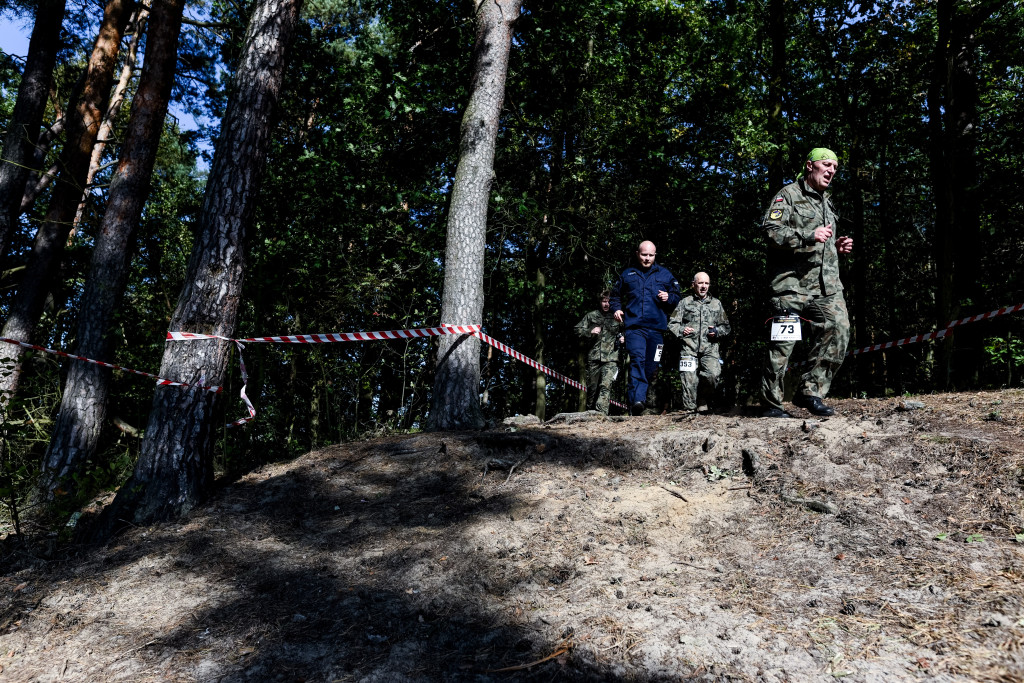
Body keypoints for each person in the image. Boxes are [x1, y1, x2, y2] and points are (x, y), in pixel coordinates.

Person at [760, 147, 853, 418]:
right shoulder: (788, 195)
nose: (831, 171)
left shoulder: (827, 202)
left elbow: (822, 242)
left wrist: (837, 245)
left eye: (835, 167)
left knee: (838, 329)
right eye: (826, 165)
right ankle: (772, 404)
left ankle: (810, 391)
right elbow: (770, 231)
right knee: (782, 345)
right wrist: (807, 235)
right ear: (810, 165)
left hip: (826, 287)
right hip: (791, 285)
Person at [610, 241, 681, 415]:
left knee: (651, 366)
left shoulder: (665, 275)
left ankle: (636, 398)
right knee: (637, 359)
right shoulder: (627, 274)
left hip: (656, 330)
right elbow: (614, 295)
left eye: (650, 255)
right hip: (634, 327)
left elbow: (677, 297)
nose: (647, 258)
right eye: (644, 255)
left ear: (655, 255)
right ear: (637, 254)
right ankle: (637, 401)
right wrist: (617, 309)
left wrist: (668, 297)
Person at [668, 272, 731, 414]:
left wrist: (717, 331)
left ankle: (702, 398)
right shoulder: (684, 302)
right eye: (700, 283)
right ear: (693, 284)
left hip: (710, 348)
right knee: (688, 380)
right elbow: (672, 324)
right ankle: (689, 411)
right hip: (688, 348)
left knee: (713, 375)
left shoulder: (716, 303)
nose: (703, 286)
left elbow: (726, 327)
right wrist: (682, 330)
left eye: (706, 283)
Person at [574, 290, 624, 414]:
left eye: (609, 302)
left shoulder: (618, 316)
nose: (606, 304)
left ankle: (601, 415)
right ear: (600, 302)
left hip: (611, 358)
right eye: (604, 301)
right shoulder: (591, 316)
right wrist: (589, 331)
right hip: (594, 358)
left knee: (605, 386)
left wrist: (624, 338)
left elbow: (629, 331)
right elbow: (576, 330)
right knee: (592, 390)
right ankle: (591, 413)